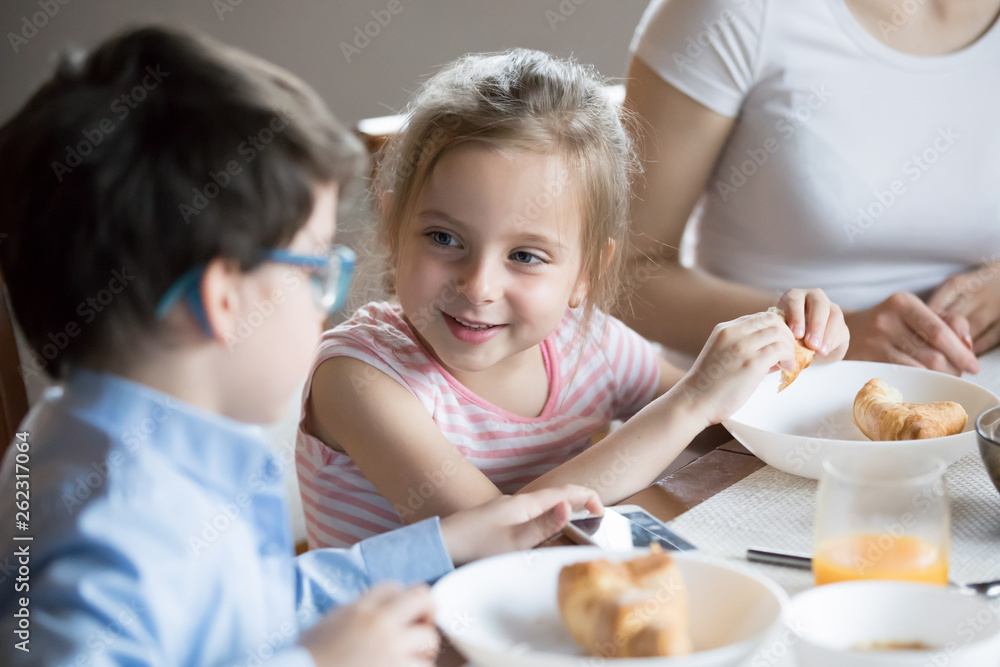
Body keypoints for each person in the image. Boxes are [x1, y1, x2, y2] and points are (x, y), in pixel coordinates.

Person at [0, 26, 604, 667]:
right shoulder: (109, 531)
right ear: (224, 301)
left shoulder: (144, 445)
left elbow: (261, 605)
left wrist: (448, 543)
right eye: (316, 268)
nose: (328, 300)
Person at [296, 48, 850, 548]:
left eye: (526, 256)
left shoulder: (588, 345)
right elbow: (504, 532)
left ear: (586, 272)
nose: (479, 286)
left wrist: (789, 353)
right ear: (394, 227)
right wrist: (692, 400)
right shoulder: (360, 378)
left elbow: (727, 424)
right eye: (444, 239)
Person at [619, 0, 1000, 376]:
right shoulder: (735, 11)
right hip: (751, 414)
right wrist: (830, 336)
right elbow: (619, 275)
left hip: (973, 412)